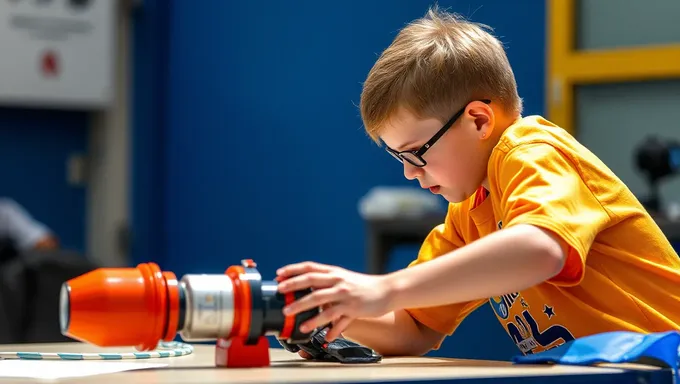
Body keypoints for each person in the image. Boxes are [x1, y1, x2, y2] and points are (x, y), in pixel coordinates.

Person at [275, 6, 680, 358]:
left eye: (416, 152)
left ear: (479, 120)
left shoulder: (531, 149)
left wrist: (385, 287)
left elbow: (540, 248)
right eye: (399, 157)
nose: (409, 172)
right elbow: (412, 328)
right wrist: (309, 314)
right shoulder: (469, 214)